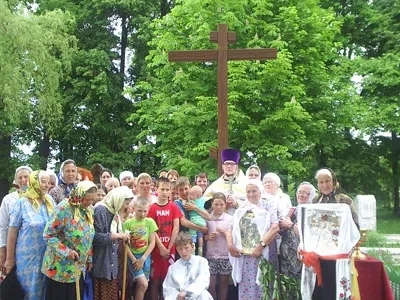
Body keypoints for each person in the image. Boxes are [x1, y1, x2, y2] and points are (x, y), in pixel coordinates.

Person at [300, 168, 360, 300]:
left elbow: (355, 226)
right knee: (320, 288)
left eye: (327, 181)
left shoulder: (345, 201)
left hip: (338, 254)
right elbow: (310, 226)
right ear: (318, 185)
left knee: (335, 286)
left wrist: (348, 245)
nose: (324, 185)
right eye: (321, 182)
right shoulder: (315, 201)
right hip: (319, 255)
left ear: (334, 182)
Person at [42, 181, 97, 300]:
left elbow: (89, 235)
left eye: (92, 200)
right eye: (86, 199)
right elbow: (48, 235)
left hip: (78, 268)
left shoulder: (89, 210)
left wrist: (89, 258)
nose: (89, 203)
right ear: (78, 195)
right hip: (60, 268)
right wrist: (67, 252)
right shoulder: (63, 208)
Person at [5, 170, 55, 300]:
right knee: (28, 292)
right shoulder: (22, 203)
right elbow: (12, 232)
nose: (46, 185)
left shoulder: (50, 201)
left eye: (48, 182)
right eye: (42, 182)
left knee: (46, 292)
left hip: (47, 257)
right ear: (34, 182)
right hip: (27, 259)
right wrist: (9, 259)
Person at [226, 179, 279, 300]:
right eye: (248, 191)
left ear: (260, 191)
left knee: (264, 285)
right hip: (245, 256)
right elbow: (230, 228)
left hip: (264, 254)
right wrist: (230, 247)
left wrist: (260, 246)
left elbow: (275, 227)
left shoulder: (268, 205)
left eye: (254, 191)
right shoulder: (243, 207)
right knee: (246, 286)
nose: (251, 194)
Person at [92, 186, 132, 299]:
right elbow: (95, 237)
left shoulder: (115, 212)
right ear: (119, 199)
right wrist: (117, 235)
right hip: (102, 264)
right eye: (126, 203)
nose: (126, 207)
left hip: (111, 265)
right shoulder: (100, 210)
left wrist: (124, 236)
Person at [278, 182, 316, 299]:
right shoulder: (293, 210)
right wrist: (284, 221)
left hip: (301, 257)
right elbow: (281, 231)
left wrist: (290, 225)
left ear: (311, 195)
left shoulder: (312, 211)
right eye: (299, 191)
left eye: (305, 192)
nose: (301, 194)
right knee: (286, 287)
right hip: (286, 257)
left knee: (300, 287)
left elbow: (308, 233)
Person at [147, 177, 182, 300]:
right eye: (162, 189)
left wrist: (169, 247)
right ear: (157, 190)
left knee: (168, 282)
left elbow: (176, 228)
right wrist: (161, 247)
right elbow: (152, 229)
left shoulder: (173, 207)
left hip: (170, 251)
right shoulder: (152, 208)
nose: (165, 192)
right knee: (155, 281)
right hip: (156, 250)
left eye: (167, 189)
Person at [123, 197, 158, 300]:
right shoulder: (128, 223)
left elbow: (152, 242)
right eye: (139, 211)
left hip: (145, 256)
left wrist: (143, 258)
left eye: (145, 211)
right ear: (133, 208)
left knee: (142, 285)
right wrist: (134, 260)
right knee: (143, 284)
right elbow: (125, 244)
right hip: (133, 257)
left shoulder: (150, 222)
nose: (142, 214)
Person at [0, 166, 32, 274]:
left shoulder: (38, 199)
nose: (23, 180)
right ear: (16, 181)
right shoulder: (8, 200)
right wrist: (2, 252)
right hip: (12, 250)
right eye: (20, 178)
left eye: (26, 177)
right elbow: (2, 227)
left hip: (32, 251)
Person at [163, 232, 213, 300]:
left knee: (204, 296)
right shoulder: (173, 268)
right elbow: (168, 288)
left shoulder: (201, 262)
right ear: (177, 249)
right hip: (180, 297)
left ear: (192, 246)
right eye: (180, 249)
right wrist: (178, 296)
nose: (183, 251)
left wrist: (188, 292)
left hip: (198, 295)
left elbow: (203, 280)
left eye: (186, 248)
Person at [204, 192, 233, 300]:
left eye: (221, 204)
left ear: (225, 204)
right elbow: (202, 236)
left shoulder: (230, 219)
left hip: (224, 255)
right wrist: (208, 237)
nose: (219, 207)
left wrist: (225, 233)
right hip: (210, 255)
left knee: (223, 283)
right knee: (211, 283)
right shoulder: (207, 218)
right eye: (216, 204)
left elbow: (234, 237)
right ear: (212, 204)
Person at [204, 148, 247, 215]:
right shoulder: (215, 185)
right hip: (220, 221)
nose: (229, 166)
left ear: (236, 166)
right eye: (226, 164)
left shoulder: (246, 183)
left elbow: (254, 203)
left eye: (232, 164)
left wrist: (236, 203)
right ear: (222, 166)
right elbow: (205, 205)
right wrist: (220, 202)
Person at [187, 186, 207, 256]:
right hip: (202, 221)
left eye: (191, 195)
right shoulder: (203, 200)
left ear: (197, 196)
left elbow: (188, 208)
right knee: (200, 236)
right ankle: (200, 249)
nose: (190, 196)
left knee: (192, 235)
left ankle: (193, 247)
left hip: (194, 220)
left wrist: (189, 199)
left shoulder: (193, 202)